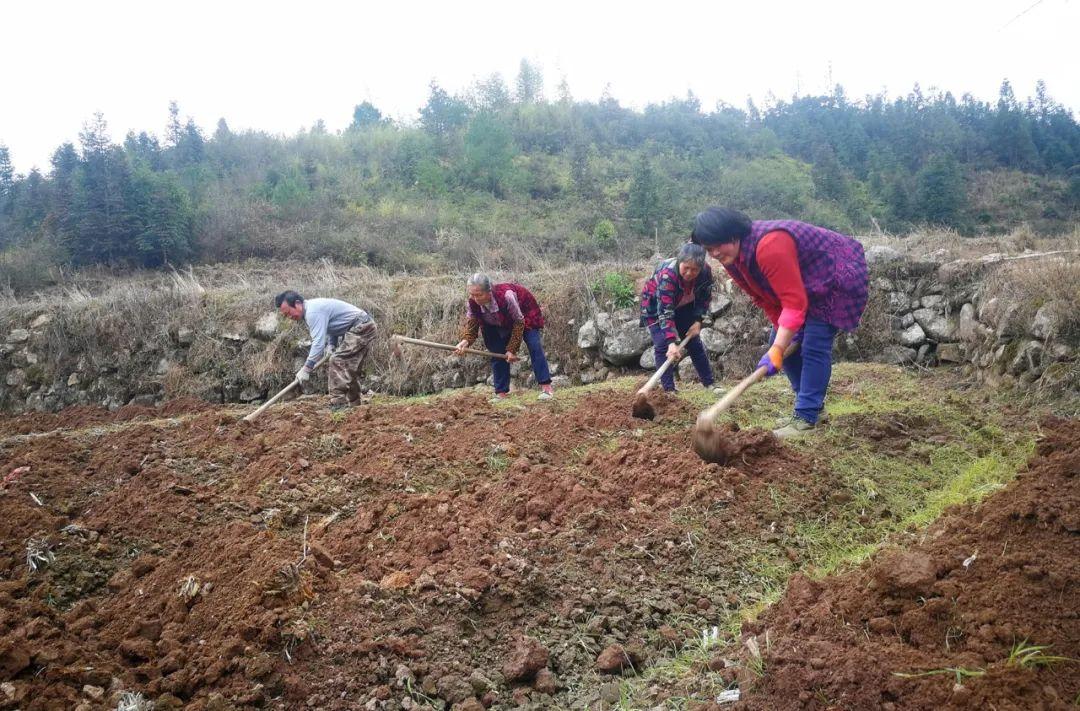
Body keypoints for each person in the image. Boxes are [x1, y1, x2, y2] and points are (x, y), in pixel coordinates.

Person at [690, 207, 868, 439]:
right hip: (801, 285)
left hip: (834, 277)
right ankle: (810, 408)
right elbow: (762, 296)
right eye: (708, 249)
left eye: (716, 245)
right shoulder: (730, 258)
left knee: (814, 343)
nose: (713, 253)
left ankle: (806, 417)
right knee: (782, 341)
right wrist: (782, 342)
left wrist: (778, 348)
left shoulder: (770, 245)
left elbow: (794, 303)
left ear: (732, 234)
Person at [454, 274, 554, 401]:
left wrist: (512, 349)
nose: (475, 298)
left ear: (489, 291)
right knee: (496, 352)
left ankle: (546, 388)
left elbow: (519, 322)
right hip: (495, 322)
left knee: (534, 345)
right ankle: (501, 393)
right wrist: (465, 341)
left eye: (479, 295)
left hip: (524, 314)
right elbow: (473, 324)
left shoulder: (507, 296)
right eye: (472, 295)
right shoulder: (472, 302)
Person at [275, 290, 377, 411]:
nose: (289, 317)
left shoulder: (313, 312)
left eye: (288, 313)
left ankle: (338, 403)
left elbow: (318, 344)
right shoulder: (312, 310)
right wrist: (331, 345)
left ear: (297, 304)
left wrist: (306, 368)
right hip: (360, 326)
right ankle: (355, 403)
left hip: (361, 326)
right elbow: (333, 326)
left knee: (337, 360)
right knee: (348, 366)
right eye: (286, 316)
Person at [639, 242, 717, 393]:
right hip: (655, 308)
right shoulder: (668, 275)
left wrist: (698, 321)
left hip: (684, 304)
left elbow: (704, 298)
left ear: (701, 267)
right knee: (662, 346)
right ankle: (669, 391)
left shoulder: (706, 272)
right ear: (679, 261)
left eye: (694, 270)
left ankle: (710, 384)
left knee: (694, 342)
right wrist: (671, 342)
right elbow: (665, 311)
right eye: (686, 268)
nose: (689, 273)